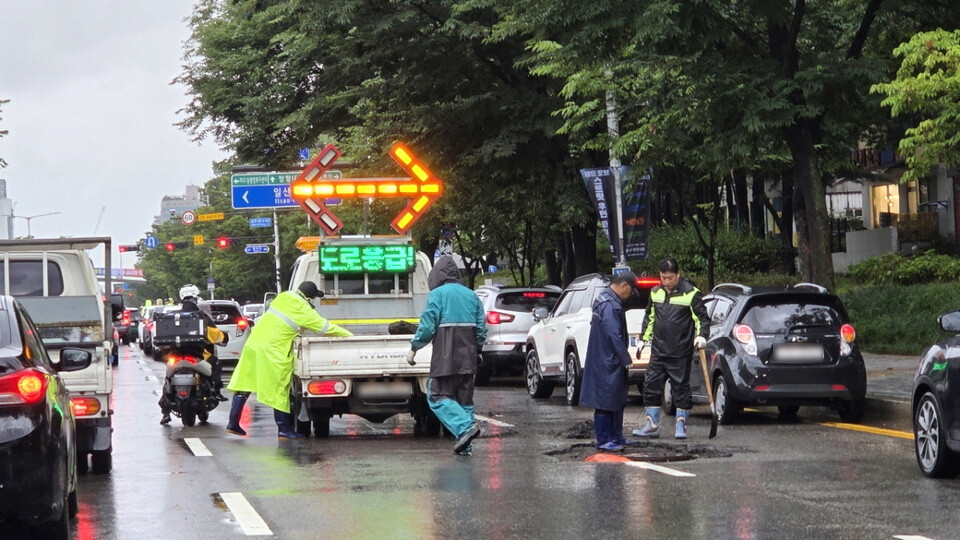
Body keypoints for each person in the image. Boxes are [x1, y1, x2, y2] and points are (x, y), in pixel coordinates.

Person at [225, 281, 352, 439]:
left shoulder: (283, 297)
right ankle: (284, 429)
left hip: (254, 344)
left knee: (244, 383)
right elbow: (325, 328)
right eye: (313, 299)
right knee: (279, 389)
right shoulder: (303, 309)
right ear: (309, 298)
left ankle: (233, 423)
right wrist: (350, 337)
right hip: (273, 349)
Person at [406, 255, 487, 456]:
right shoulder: (472, 296)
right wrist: (477, 350)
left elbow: (427, 326)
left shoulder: (437, 295)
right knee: (464, 401)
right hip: (468, 360)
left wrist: (414, 347)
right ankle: (465, 446)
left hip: (445, 359)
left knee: (436, 396)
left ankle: (464, 429)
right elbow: (482, 330)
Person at [633, 258, 709, 439]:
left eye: (669, 278)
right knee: (651, 386)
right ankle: (652, 425)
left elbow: (702, 318)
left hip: (680, 351)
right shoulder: (655, 293)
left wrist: (701, 335)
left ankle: (681, 426)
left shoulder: (691, 294)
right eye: (663, 278)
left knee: (681, 388)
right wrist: (644, 339)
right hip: (659, 351)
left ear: (678, 275)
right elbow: (650, 317)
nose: (666, 282)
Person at [579, 272, 640, 451]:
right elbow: (614, 334)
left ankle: (616, 436)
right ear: (623, 286)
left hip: (609, 360)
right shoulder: (608, 305)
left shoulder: (607, 301)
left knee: (616, 399)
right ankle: (605, 439)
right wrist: (625, 358)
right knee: (605, 401)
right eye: (631, 290)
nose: (631, 294)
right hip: (607, 361)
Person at [159, 284, 229, 425]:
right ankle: (217, 390)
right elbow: (215, 336)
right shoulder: (201, 317)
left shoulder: (173, 317)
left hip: (175, 357)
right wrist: (224, 337)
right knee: (215, 363)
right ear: (196, 299)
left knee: (168, 380)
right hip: (198, 356)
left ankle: (165, 413)